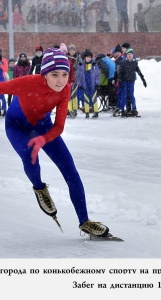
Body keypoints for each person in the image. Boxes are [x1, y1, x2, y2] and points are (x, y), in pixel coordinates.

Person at [1, 48, 109, 237]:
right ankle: (39, 188)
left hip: (44, 128)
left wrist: (44, 138)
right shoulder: (29, 83)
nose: (61, 80)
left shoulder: (65, 89)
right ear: (44, 75)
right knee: (29, 155)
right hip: (17, 127)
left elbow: (59, 126)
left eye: (65, 74)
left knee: (71, 171)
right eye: (55, 74)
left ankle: (85, 222)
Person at [117, 48, 147, 117]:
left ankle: (134, 109)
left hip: (131, 81)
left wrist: (143, 79)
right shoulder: (123, 62)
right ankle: (122, 110)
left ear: (133, 55)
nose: (130, 56)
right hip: (124, 81)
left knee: (131, 96)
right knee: (124, 96)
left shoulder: (134, 63)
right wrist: (120, 80)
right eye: (128, 54)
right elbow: (120, 73)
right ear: (126, 56)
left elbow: (138, 71)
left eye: (131, 54)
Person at [76, 49, 100, 118]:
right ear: (85, 57)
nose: (88, 58)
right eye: (87, 57)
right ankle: (87, 112)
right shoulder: (81, 66)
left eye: (90, 57)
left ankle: (96, 112)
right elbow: (79, 76)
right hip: (85, 84)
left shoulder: (94, 65)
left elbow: (97, 75)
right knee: (86, 99)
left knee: (94, 98)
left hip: (92, 85)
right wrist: (80, 84)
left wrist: (97, 84)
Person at [0, 48, 8, 117]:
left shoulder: (4, 60)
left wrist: (0, 64)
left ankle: (5, 110)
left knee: (2, 97)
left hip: (1, 80)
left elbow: (5, 69)